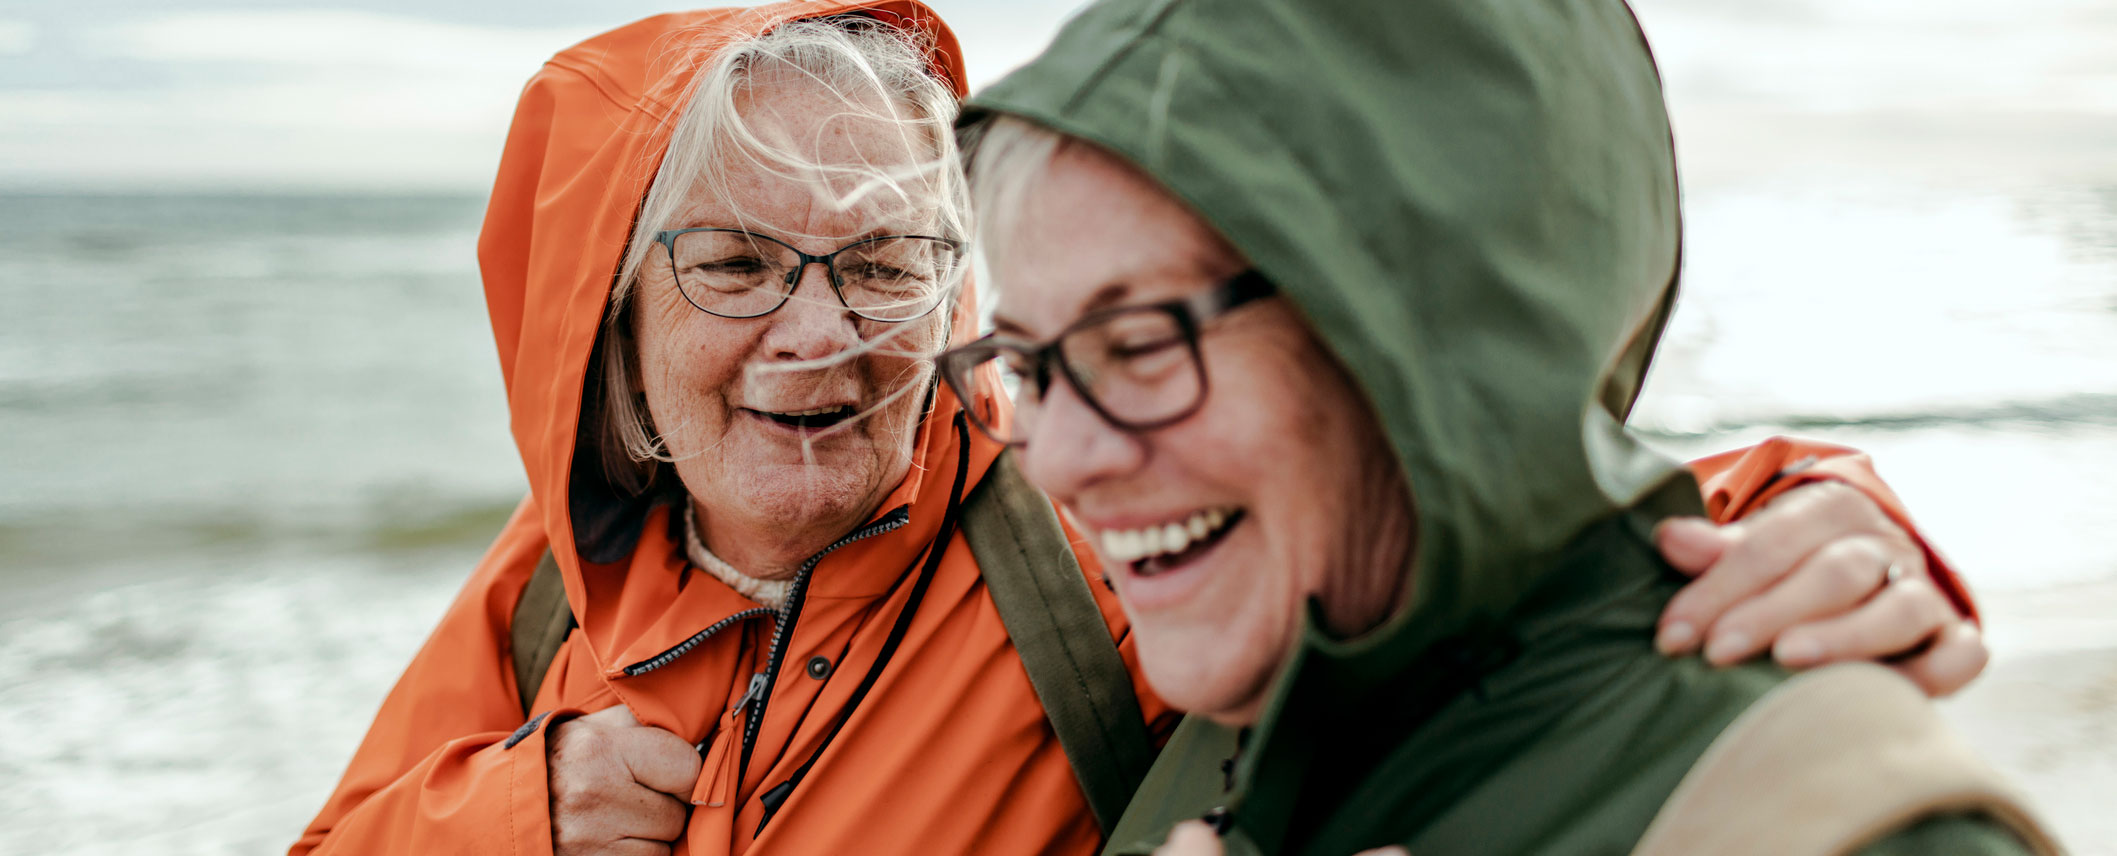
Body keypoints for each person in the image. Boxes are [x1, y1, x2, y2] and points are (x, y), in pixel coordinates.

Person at [298, 3, 1988, 855]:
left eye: (881, 262)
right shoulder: (545, 596)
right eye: (737, 265)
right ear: (606, 333)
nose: (820, 331)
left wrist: (1822, 517)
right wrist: (517, 813)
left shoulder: (1085, 531)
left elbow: (1473, 505)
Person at [939, 0, 2057, 853]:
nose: (1056, 458)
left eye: (1134, 347)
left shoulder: (1839, 825)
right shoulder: (1226, 745)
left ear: (1428, 336)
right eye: (1028, 365)